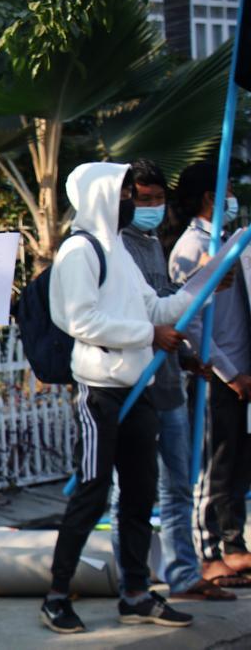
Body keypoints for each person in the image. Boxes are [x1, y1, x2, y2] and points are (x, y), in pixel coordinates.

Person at [41, 162, 195, 633]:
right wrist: (148, 335)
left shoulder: (120, 253)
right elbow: (79, 320)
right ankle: (56, 595)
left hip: (138, 389)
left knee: (139, 495)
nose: (132, 199)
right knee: (91, 492)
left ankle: (135, 593)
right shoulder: (78, 251)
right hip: (100, 394)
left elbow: (156, 307)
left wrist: (200, 286)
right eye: (126, 191)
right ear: (103, 195)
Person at [107, 159, 234, 601]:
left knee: (178, 484)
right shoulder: (110, 249)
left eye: (158, 199)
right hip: (131, 385)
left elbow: (165, 306)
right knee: (132, 492)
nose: (153, 207)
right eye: (144, 200)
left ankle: (183, 573)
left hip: (166, 385)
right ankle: (133, 582)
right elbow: (111, 317)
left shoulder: (153, 244)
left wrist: (185, 355)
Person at [168, 161, 251, 590]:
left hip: (241, 370)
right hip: (218, 373)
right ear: (208, 197)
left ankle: (234, 545)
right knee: (214, 465)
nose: (233, 195)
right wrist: (230, 372)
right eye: (228, 188)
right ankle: (208, 551)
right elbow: (192, 322)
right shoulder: (190, 248)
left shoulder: (232, 241)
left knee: (238, 463)